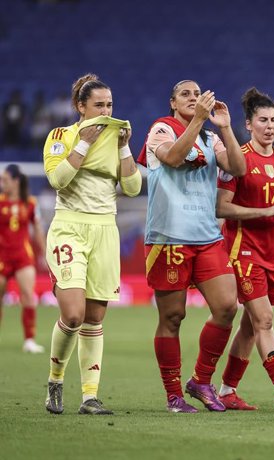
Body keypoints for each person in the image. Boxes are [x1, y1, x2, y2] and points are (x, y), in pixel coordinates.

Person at [138, 80, 246, 413]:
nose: (193, 98)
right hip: (169, 238)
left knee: (228, 307)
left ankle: (201, 380)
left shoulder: (211, 138)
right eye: (185, 94)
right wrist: (198, 119)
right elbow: (171, 158)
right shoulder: (160, 129)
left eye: (197, 94)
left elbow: (239, 169)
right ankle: (173, 396)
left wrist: (226, 129)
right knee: (173, 317)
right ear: (172, 102)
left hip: (207, 236)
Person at [42, 73, 142, 415]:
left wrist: (124, 146)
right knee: (73, 314)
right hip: (69, 227)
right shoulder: (62, 136)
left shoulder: (116, 139)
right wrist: (83, 143)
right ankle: (55, 380)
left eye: (109, 105)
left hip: (104, 230)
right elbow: (57, 179)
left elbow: (131, 187)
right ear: (79, 107)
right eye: (98, 105)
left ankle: (89, 396)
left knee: (94, 318)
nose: (105, 111)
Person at [216, 87, 274, 412]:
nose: (270, 126)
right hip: (244, 251)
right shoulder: (236, 160)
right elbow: (222, 208)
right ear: (249, 125)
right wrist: (263, 212)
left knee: (251, 327)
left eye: (273, 120)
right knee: (264, 320)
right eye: (263, 120)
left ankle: (226, 390)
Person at [0, 164, 46, 353]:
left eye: (5, 180)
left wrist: (43, 253)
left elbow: (37, 230)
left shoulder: (30, 203)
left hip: (22, 257)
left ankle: (29, 340)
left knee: (28, 296)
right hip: (2, 256)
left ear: (16, 181)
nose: (2, 184)